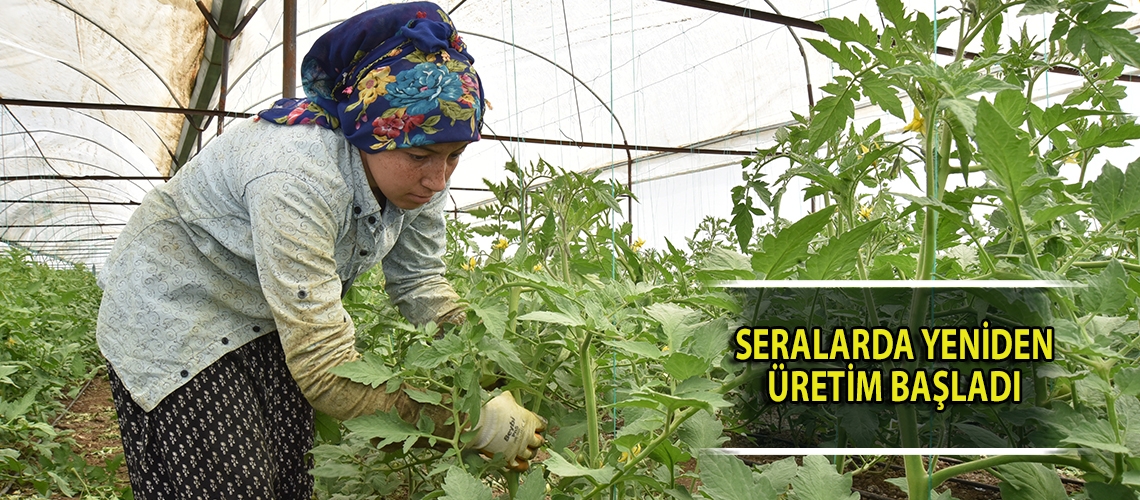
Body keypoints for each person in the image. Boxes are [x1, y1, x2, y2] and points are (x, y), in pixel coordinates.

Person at [95, 3, 544, 498]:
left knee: (290, 475)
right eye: (419, 156)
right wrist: (469, 419)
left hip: (265, 310)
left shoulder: (422, 181)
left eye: (453, 156)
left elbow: (420, 283)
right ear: (367, 135)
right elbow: (326, 372)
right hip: (175, 311)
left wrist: (486, 361)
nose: (437, 180)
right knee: (230, 483)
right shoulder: (298, 176)